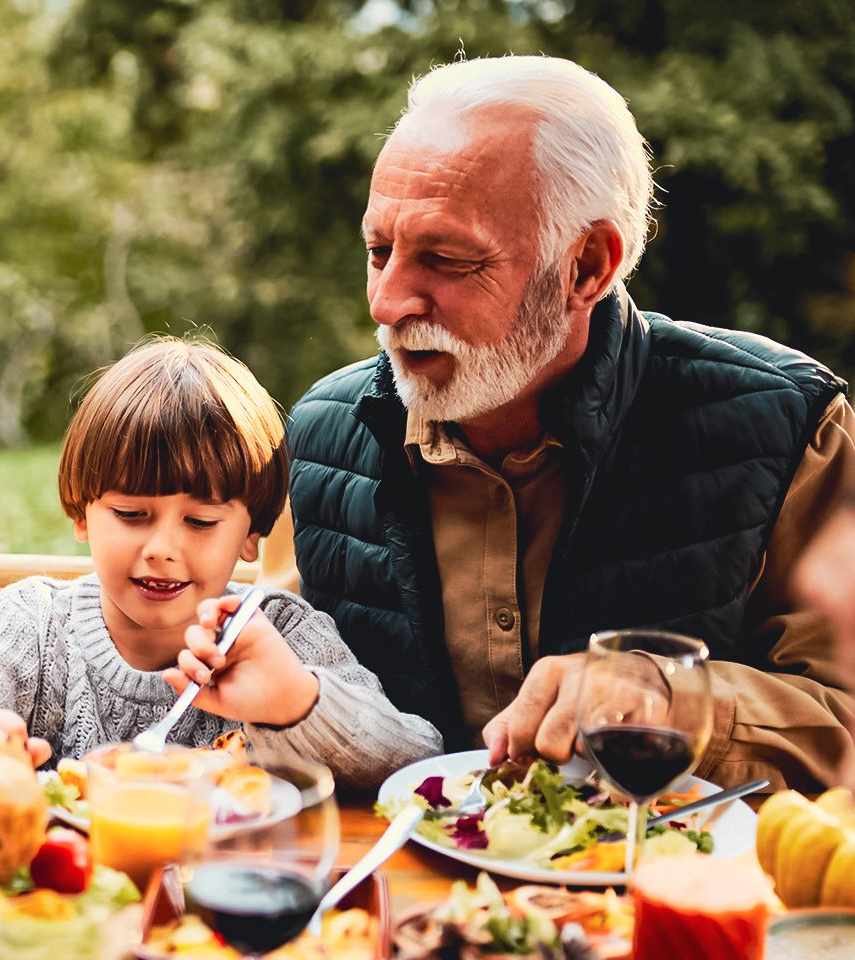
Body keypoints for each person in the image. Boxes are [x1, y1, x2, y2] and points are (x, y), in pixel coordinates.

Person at [287, 54, 854, 791]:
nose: (388, 302)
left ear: (586, 266)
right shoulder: (319, 439)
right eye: (378, 251)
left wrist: (668, 700)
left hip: (670, 894)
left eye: (446, 258)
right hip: (396, 896)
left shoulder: (792, 426)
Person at [0, 338, 442, 788]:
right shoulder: (34, 624)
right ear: (82, 515)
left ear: (251, 533)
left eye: (201, 522)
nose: (162, 548)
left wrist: (298, 702)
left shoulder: (280, 634)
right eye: (132, 513)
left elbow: (419, 759)